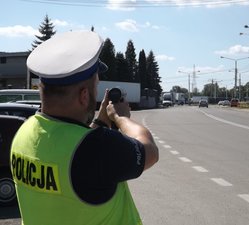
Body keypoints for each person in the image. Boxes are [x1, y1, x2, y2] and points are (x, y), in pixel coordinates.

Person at [10, 31, 159, 225]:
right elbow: (150, 150)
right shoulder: (98, 149)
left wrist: (101, 120)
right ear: (84, 96)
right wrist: (121, 118)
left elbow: (72, 145)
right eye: (95, 86)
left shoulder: (23, 131)